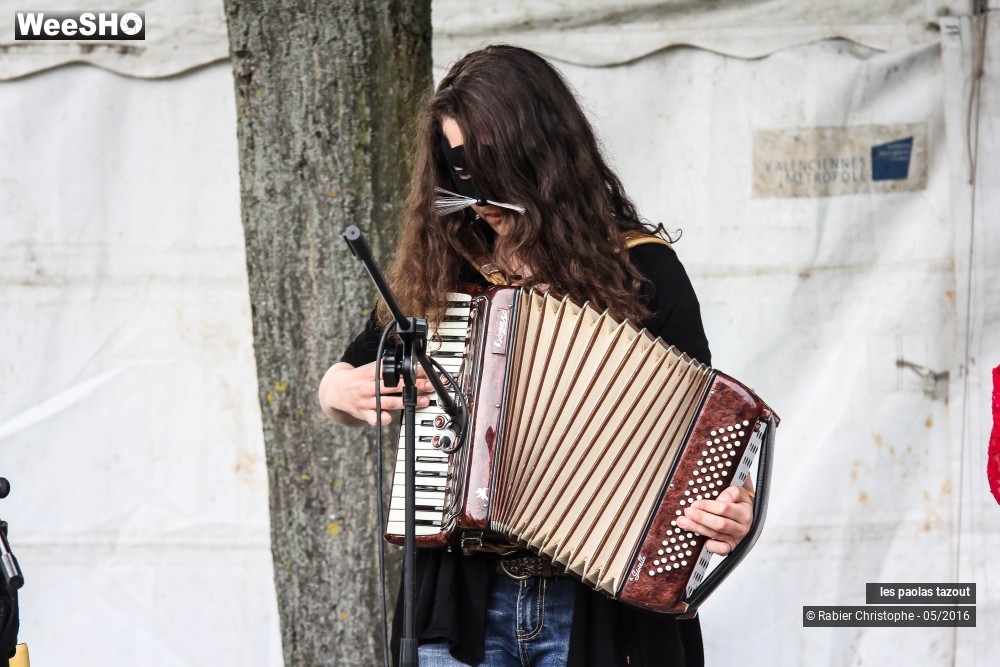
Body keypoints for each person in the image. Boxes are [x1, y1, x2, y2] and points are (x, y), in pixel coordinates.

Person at [318, 44, 753, 667]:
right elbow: (347, 374)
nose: (476, 191)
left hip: (602, 610)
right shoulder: (445, 268)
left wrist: (730, 509)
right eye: (457, 167)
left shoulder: (643, 268)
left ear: (544, 155)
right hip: (458, 604)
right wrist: (342, 391)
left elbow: (707, 429)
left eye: (493, 164)